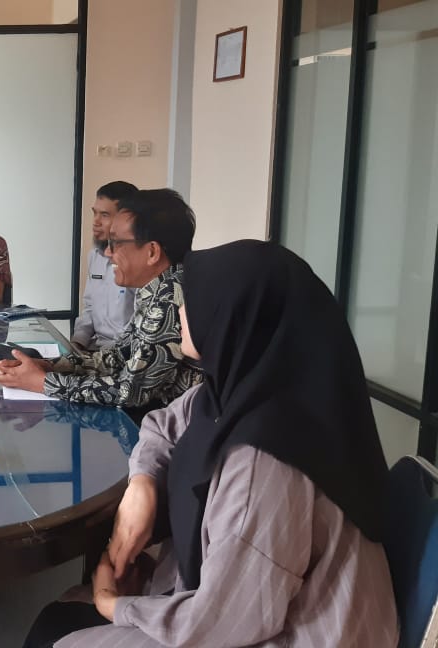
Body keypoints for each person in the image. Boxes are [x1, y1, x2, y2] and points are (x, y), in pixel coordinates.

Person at [22, 240, 398, 648]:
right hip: (239, 606)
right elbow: (163, 424)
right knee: (56, 620)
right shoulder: (243, 392)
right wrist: (142, 483)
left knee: (60, 635)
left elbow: (226, 621)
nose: (181, 311)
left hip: (292, 631)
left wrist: (115, 606)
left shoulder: (265, 458)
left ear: (235, 317)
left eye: (193, 301)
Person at [0, 189, 202, 415]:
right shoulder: (155, 288)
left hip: (171, 423)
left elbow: (129, 391)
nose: (108, 252)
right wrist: (52, 366)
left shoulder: (170, 296)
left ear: (152, 252)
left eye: (116, 243)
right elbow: (118, 357)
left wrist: (42, 383)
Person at [71, 181, 139, 351]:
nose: (96, 222)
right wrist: (77, 343)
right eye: (95, 213)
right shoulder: (95, 256)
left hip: (121, 352)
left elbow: (138, 329)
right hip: (94, 347)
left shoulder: (138, 263)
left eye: (105, 215)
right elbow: (90, 307)